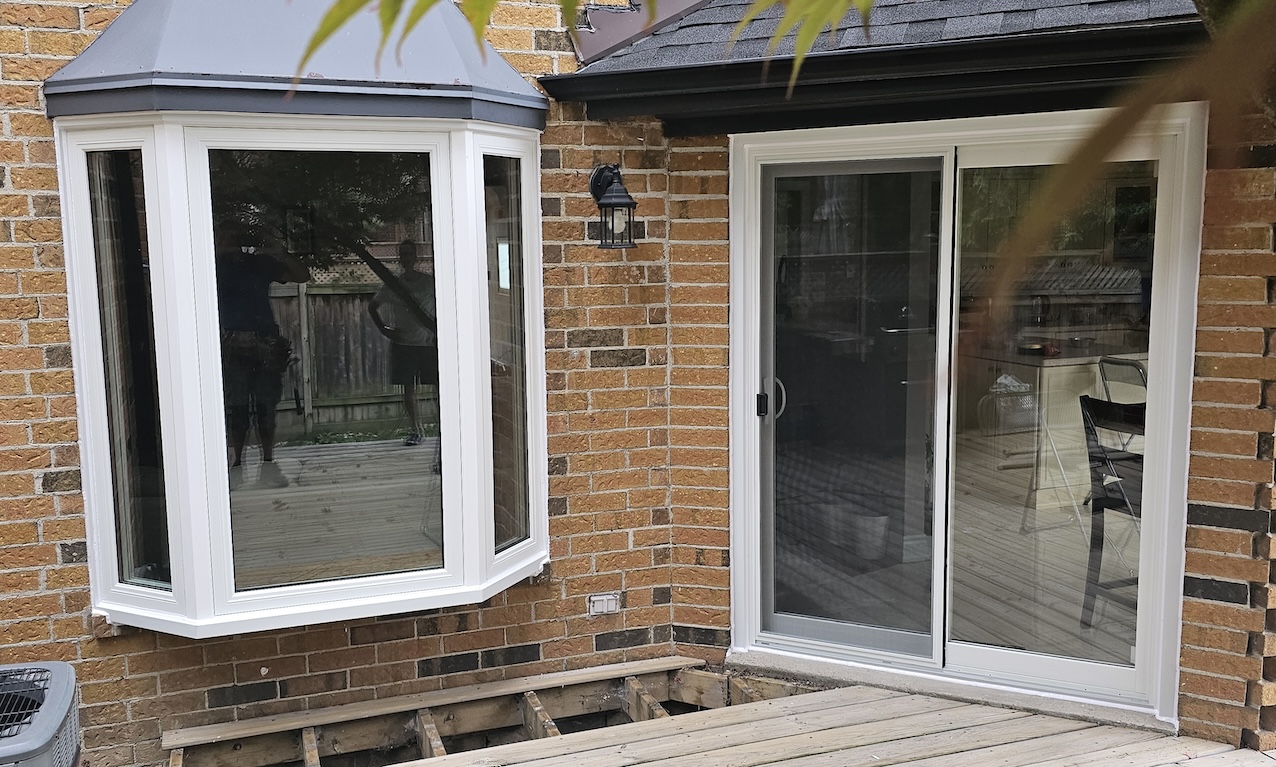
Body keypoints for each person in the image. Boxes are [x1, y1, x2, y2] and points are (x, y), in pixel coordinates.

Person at [217, 246, 309, 488]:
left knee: (266, 405)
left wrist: (277, 248)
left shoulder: (260, 262)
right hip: (231, 341)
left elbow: (302, 276)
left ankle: (268, 462)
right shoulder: (217, 260)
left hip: (265, 342)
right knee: (236, 407)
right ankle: (236, 464)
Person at [368, 240, 439, 447]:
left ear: (415, 257)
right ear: (400, 257)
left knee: (438, 388)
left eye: (410, 254)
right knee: (409, 390)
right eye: (403, 254)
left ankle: (445, 428)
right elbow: (373, 307)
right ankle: (416, 430)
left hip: (429, 344)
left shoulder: (429, 282)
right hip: (404, 344)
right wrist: (384, 329)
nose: (407, 258)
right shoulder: (393, 285)